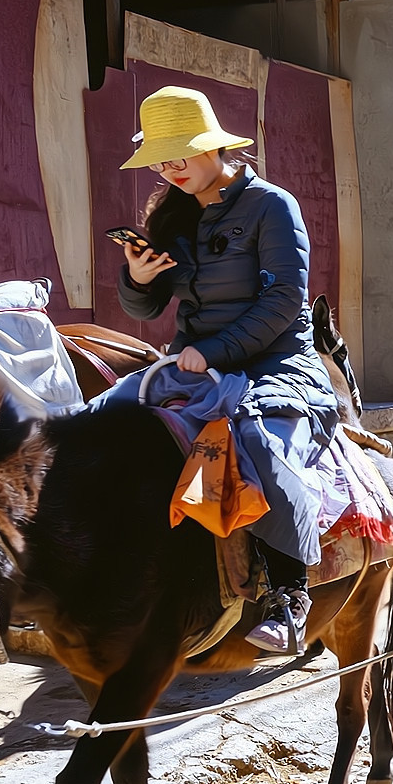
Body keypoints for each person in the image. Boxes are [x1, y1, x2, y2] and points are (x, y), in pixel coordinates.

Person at [110, 85, 339, 652]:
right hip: (194, 366)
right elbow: (147, 306)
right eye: (162, 158)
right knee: (99, 419)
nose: (172, 168)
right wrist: (137, 280)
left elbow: (285, 299)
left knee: (256, 438)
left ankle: (290, 596)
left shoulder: (273, 206)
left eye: (181, 152)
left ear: (214, 146)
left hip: (276, 362)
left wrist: (212, 352)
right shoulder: (173, 216)